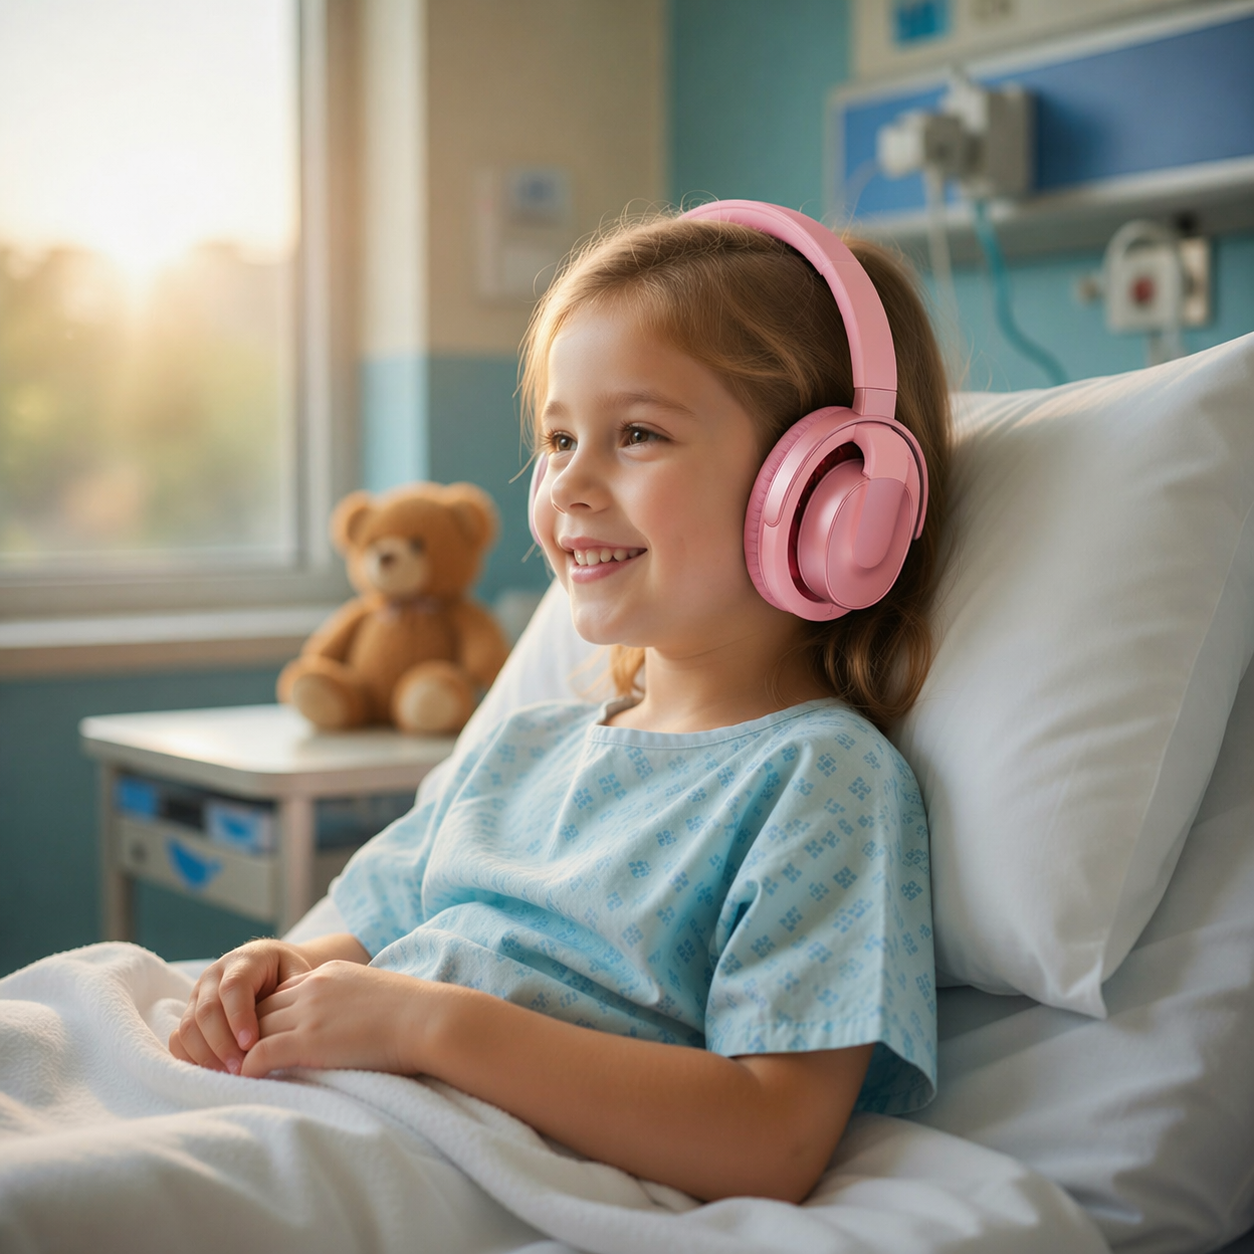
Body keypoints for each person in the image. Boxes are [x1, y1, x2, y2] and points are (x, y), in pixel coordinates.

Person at [169, 201, 953, 1206]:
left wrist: (426, 1023)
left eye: (636, 434)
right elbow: (364, 932)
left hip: (433, 1156)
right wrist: (272, 969)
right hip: (314, 1102)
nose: (570, 484)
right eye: (556, 438)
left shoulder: (820, 783)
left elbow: (775, 1137)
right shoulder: (522, 747)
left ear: (826, 496)